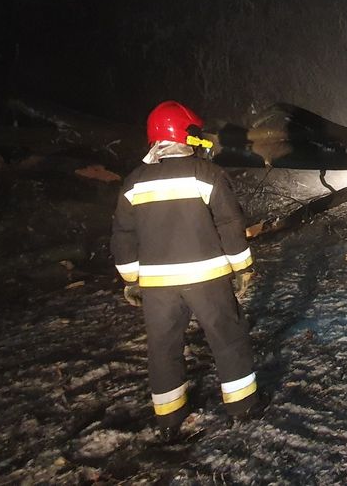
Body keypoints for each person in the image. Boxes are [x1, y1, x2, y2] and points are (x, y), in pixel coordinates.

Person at [110, 100, 261, 441]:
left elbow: (123, 233)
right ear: (183, 134)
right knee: (227, 337)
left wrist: (130, 279)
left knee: (163, 347)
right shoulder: (206, 174)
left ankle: (169, 417)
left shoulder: (134, 181)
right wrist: (242, 267)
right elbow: (230, 223)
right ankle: (243, 407)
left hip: (158, 287)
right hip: (206, 278)